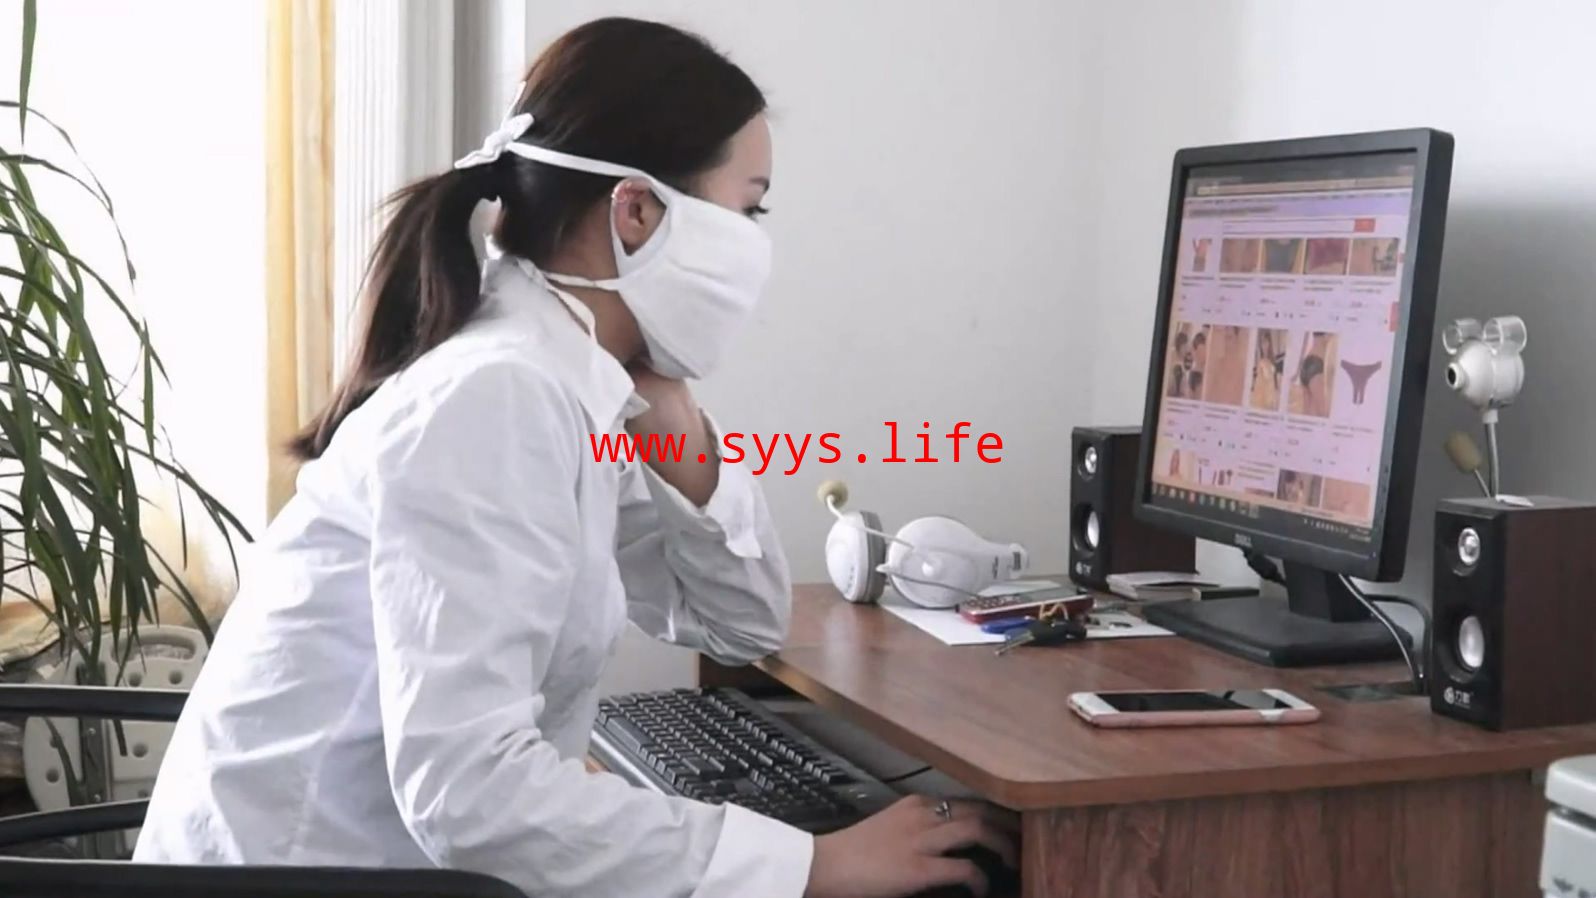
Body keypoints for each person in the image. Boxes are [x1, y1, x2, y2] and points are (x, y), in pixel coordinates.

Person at [133, 17, 1014, 898]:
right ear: (637, 213)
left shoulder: (569, 381)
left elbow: (739, 626)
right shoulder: (498, 396)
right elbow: (469, 795)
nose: (756, 240)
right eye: (750, 208)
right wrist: (814, 864)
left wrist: (682, 433)